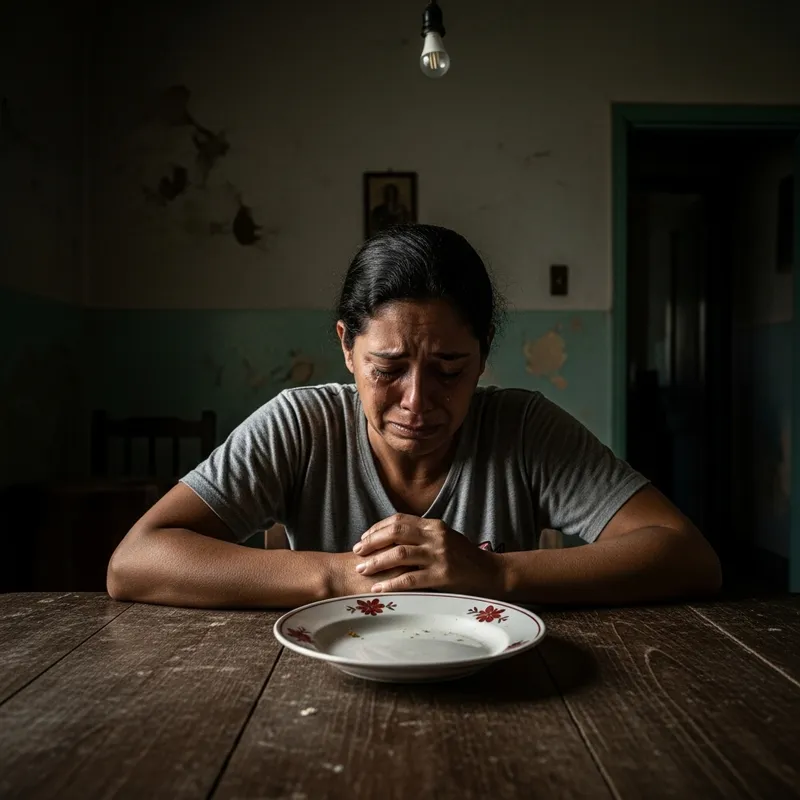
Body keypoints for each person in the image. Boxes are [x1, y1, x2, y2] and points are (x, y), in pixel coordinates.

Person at [107, 224, 721, 609]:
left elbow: (687, 555)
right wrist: (340, 576)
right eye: (388, 367)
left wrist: (497, 574)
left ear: (483, 357)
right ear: (347, 347)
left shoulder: (525, 430)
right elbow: (135, 560)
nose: (418, 402)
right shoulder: (301, 423)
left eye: (450, 369)